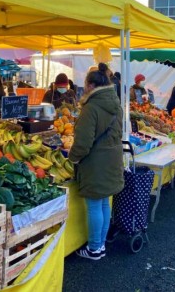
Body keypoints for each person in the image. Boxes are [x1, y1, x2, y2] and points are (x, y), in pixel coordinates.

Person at [69, 63, 124, 260]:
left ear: (91, 85)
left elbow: (83, 143)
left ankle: (93, 248)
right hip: (112, 158)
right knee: (103, 204)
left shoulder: (91, 107)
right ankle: (99, 246)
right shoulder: (116, 103)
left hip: (96, 162)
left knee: (94, 205)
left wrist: (72, 159)